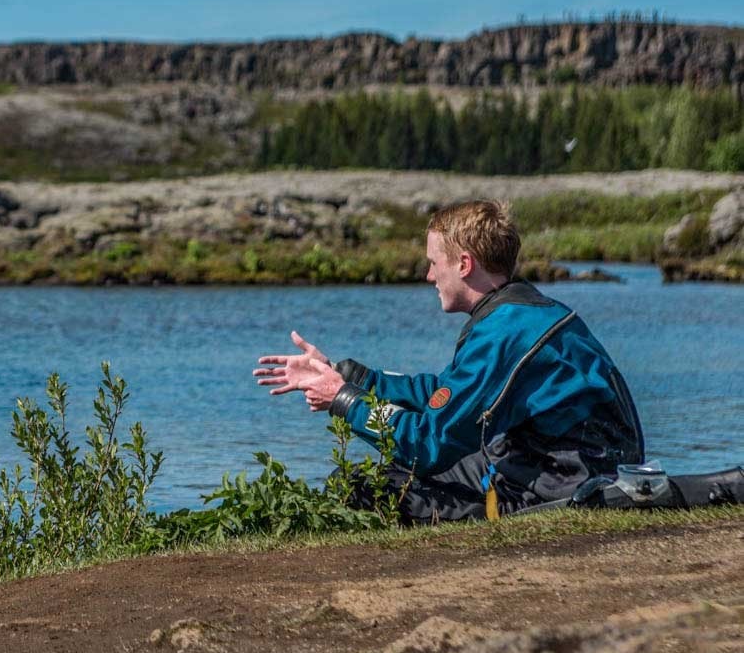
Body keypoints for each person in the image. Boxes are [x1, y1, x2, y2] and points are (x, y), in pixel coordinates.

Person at [254, 199, 645, 524]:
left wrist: (344, 400)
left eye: (434, 262)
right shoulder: (524, 313)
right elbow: (445, 393)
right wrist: (348, 375)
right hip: (556, 467)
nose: (429, 275)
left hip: (561, 489)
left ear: (464, 264)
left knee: (364, 487)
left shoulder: (504, 334)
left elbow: (426, 443)